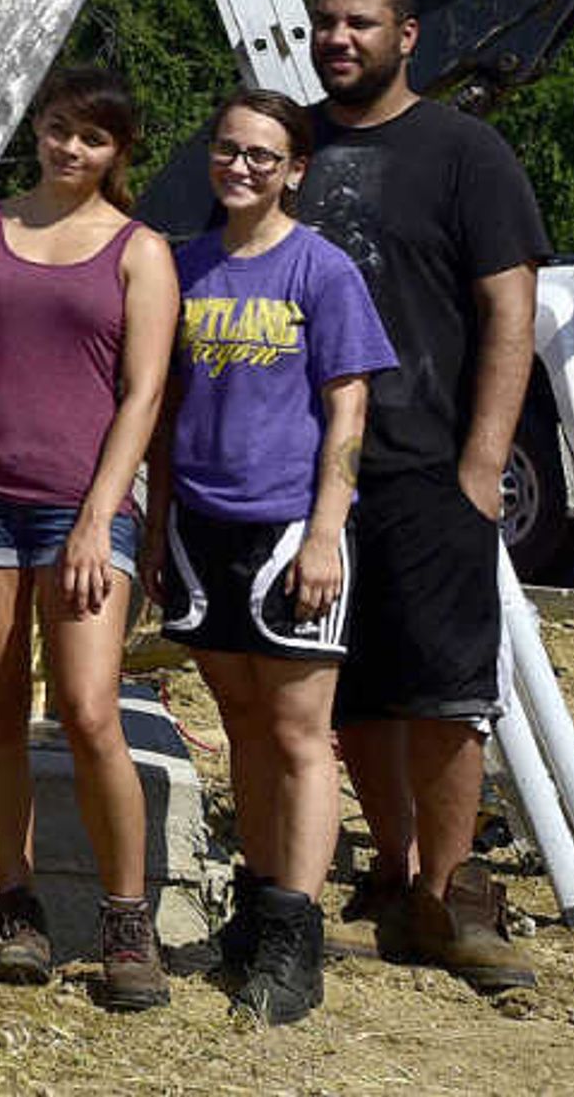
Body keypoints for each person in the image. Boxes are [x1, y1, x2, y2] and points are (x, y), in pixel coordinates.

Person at [296, 0, 544, 997]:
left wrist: (483, 462)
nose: (338, 37)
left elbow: (510, 311)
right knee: (348, 687)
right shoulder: (289, 145)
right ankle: (393, 877)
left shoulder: (464, 152)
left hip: (428, 463)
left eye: (361, 22)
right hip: (305, 473)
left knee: (445, 691)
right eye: (324, 21)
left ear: (408, 35)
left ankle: (455, 893)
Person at [0, 65, 180, 1011]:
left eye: (94, 137)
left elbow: (144, 394)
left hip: (86, 506)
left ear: (120, 152)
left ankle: (126, 919)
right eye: (60, 128)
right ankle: (17, 909)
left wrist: (96, 516)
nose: (70, 149)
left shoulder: (140, 250)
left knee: (86, 707)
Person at [155, 88, 391, 1025]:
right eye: (227, 149)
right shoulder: (184, 266)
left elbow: (349, 408)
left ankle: (299, 934)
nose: (241, 166)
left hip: (291, 527)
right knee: (244, 728)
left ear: (295, 168)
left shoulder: (322, 270)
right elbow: (161, 408)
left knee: (300, 736)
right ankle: (255, 909)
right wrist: (160, 524)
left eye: (262, 154)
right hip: (200, 525)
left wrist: (326, 530)